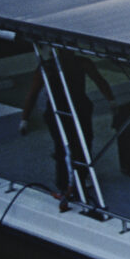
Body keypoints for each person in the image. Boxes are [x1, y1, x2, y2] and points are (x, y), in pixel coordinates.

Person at [19, 50, 115, 203]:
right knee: (63, 146)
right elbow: (33, 93)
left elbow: (100, 81)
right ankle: (65, 184)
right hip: (58, 112)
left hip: (80, 108)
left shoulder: (82, 62)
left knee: (84, 141)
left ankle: (82, 176)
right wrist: (24, 119)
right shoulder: (47, 68)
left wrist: (112, 101)